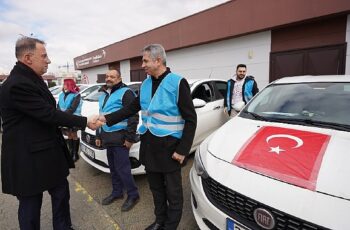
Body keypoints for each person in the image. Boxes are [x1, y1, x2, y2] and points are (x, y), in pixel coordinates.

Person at [0, 36, 98, 230]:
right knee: (30, 204)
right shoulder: (17, 84)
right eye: (44, 56)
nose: (49, 60)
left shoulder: (31, 79)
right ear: (28, 58)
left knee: (61, 192)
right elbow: (47, 114)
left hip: (47, 152)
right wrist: (85, 121)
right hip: (27, 158)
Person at [96, 44, 197, 230]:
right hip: (150, 146)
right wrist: (105, 118)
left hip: (170, 148)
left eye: (145, 60)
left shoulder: (177, 82)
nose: (142, 65)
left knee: (173, 193)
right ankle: (159, 221)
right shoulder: (146, 83)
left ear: (158, 60)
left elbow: (191, 119)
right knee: (156, 190)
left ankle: (170, 226)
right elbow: (131, 108)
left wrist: (183, 150)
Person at [95, 69, 140, 211]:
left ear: (119, 78)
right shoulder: (103, 94)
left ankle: (133, 195)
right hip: (107, 137)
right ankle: (117, 193)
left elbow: (133, 115)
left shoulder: (126, 92)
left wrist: (130, 138)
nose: (108, 78)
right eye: (107, 76)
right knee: (113, 168)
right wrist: (98, 134)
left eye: (112, 76)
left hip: (121, 137)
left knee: (123, 170)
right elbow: (101, 116)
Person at [57, 79, 82, 162]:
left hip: (73, 118)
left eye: (65, 84)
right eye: (63, 84)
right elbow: (58, 107)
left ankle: (75, 153)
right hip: (64, 118)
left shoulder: (76, 95)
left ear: (70, 85)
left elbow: (72, 108)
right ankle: (70, 152)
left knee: (74, 134)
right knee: (68, 135)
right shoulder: (61, 95)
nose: (63, 86)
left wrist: (62, 116)